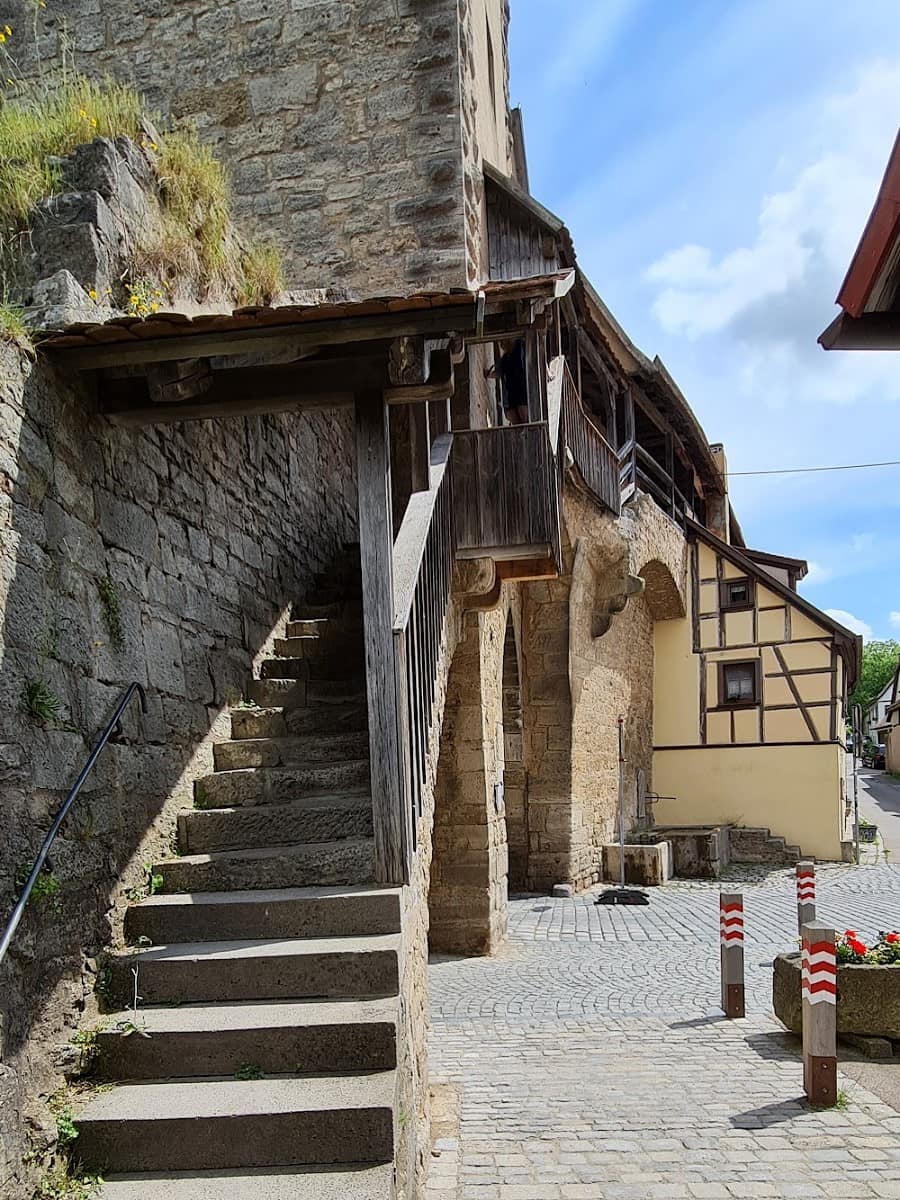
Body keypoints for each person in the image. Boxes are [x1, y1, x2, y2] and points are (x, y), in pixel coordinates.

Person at [484, 338, 529, 425]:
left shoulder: (521, 347)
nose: (501, 344)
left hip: (522, 390)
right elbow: (500, 372)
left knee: (524, 418)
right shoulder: (505, 358)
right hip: (512, 392)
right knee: (515, 419)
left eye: (502, 341)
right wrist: (489, 374)